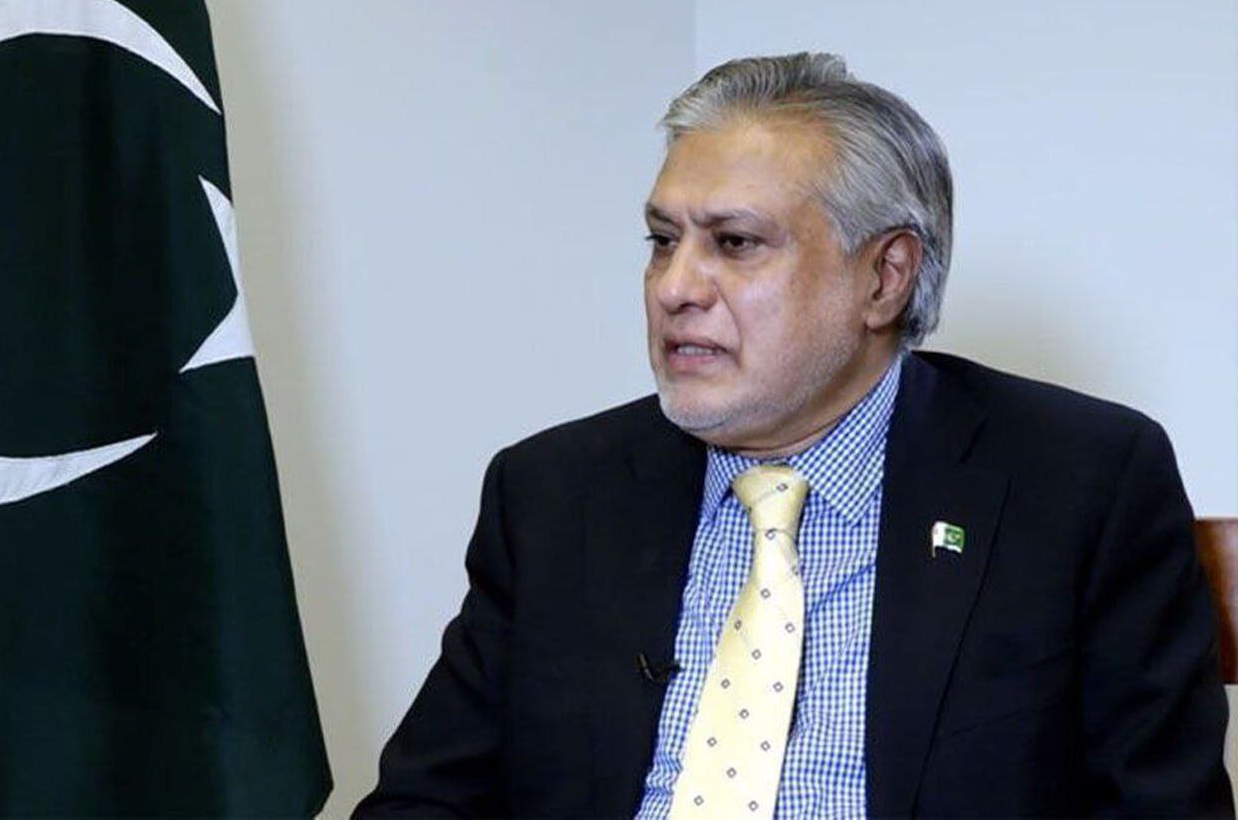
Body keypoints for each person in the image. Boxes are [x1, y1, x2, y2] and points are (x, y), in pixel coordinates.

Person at [354, 52, 1232, 817]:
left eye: (735, 243)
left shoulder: (1080, 484)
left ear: (884, 277)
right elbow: (425, 799)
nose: (675, 287)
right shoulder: (553, 491)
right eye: (662, 240)